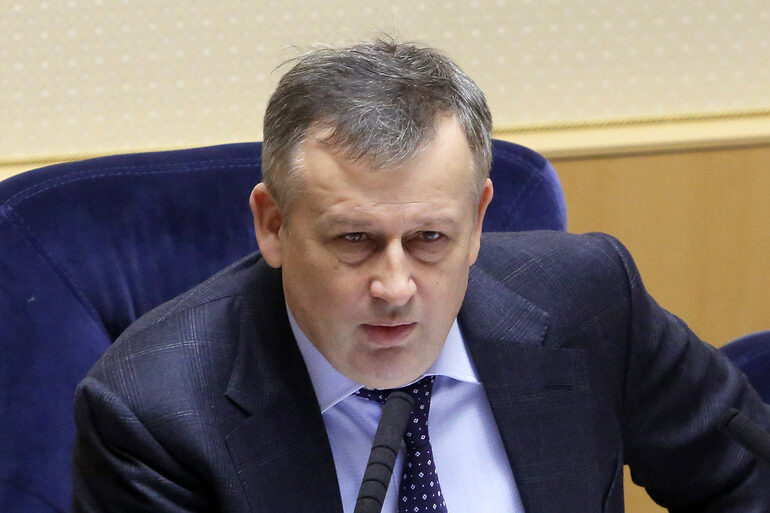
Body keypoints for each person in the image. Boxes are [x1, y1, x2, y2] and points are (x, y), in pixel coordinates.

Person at [72, 39, 770, 513]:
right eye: (355, 240)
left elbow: (746, 480)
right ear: (273, 224)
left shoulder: (590, 298)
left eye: (430, 239)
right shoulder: (153, 412)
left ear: (479, 218)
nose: (395, 287)